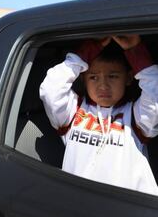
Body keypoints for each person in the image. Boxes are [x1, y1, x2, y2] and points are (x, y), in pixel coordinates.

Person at [39, 35, 158, 196]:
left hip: (128, 212)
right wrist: (88, 49)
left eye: (113, 76)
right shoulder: (73, 111)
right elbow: (50, 89)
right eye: (93, 77)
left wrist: (135, 50)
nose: (103, 85)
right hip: (77, 206)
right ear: (84, 79)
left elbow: (155, 94)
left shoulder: (136, 117)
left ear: (129, 78)